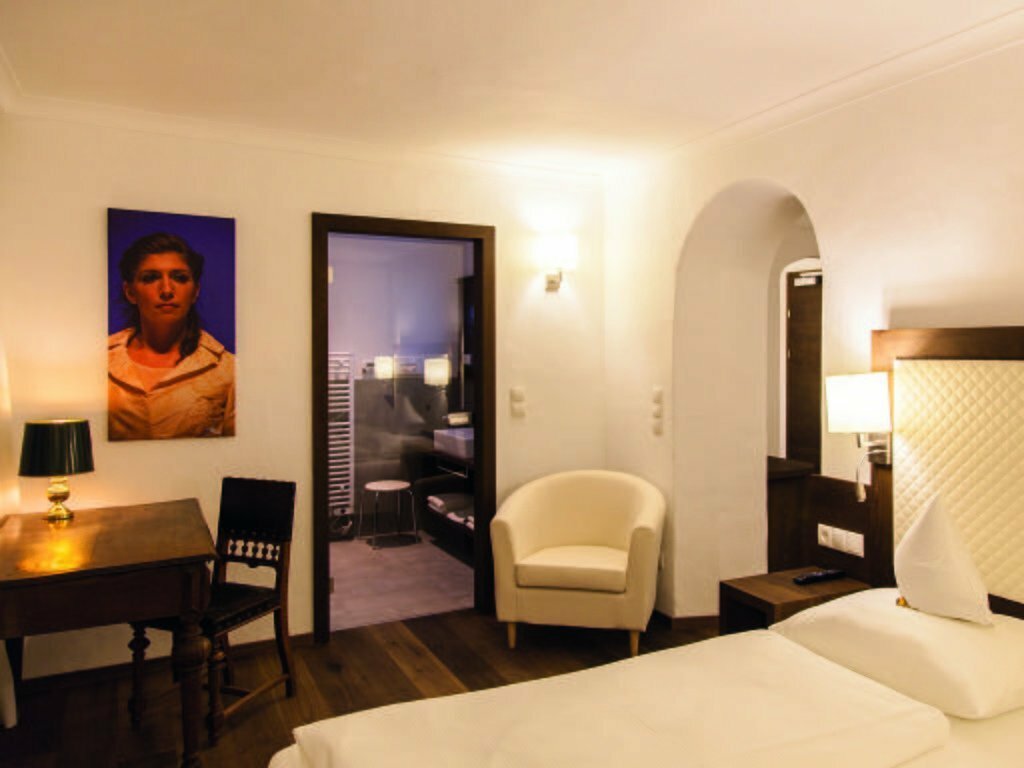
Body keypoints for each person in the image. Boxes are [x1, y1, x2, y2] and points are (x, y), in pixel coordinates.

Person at [108, 232, 235, 440]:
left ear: (195, 291)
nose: (166, 290)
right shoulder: (99, 361)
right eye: (151, 278)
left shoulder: (226, 369)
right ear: (130, 292)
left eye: (180, 278)